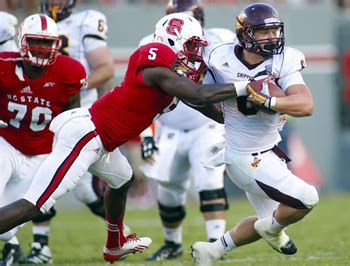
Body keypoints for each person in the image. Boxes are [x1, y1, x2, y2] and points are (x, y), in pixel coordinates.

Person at [0, 12, 260, 263]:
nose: (196, 52)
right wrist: (245, 86)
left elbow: (201, 104)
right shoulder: (152, 57)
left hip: (103, 141)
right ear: (172, 39)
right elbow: (198, 94)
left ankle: (114, 244)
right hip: (87, 135)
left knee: (122, 179)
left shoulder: (171, 74)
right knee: (37, 204)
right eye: (192, 45)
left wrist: (241, 125)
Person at [190, 3, 319, 265]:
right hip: (245, 159)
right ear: (245, 35)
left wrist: (269, 101)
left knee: (269, 220)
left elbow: (305, 105)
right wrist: (223, 118)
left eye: (275, 31)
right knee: (306, 198)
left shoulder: (284, 60)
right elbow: (197, 97)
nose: (273, 38)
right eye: (264, 32)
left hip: (269, 152)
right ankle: (271, 230)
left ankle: (213, 250)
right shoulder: (219, 58)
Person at [18, 1, 116, 263]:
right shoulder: (34, 24)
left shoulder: (86, 20)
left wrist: (69, 84)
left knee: (82, 188)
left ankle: (119, 230)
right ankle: (41, 245)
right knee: (41, 174)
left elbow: (106, 68)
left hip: (78, 109)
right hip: (42, 106)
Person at [138, 0, 235, 261]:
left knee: (210, 180)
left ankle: (216, 243)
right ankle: (172, 243)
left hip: (207, 124)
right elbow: (141, 95)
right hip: (169, 126)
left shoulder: (219, 39)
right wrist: (146, 134)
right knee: (168, 189)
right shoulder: (150, 45)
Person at [0, 14, 85, 266]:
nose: (42, 48)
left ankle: (12, 247)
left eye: (47, 43)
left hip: (41, 154)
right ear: (21, 41)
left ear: (57, 44)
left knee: (6, 229)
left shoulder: (70, 71)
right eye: (36, 41)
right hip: (6, 143)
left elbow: (73, 117)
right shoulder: (3, 65)